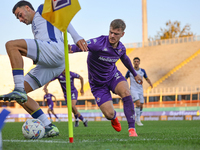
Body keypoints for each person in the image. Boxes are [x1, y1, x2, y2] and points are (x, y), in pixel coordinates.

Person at [0, 1, 87, 138]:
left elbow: (64, 18)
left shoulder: (41, 9)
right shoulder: (36, 24)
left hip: (53, 50)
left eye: (20, 15)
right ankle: (48, 126)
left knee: (11, 46)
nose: (21, 20)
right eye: (18, 18)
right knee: (21, 96)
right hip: (56, 63)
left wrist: (76, 37)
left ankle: (19, 89)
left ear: (27, 8)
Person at [70, 19, 143, 137]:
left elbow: (125, 59)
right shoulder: (98, 43)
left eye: (116, 34)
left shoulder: (121, 48)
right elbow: (79, 46)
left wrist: (134, 74)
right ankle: (114, 118)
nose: (112, 36)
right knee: (109, 114)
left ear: (122, 34)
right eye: (111, 32)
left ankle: (132, 129)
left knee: (125, 91)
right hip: (97, 84)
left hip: (113, 76)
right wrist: (68, 49)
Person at [125, 57, 153, 126]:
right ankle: (138, 120)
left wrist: (150, 83)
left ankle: (137, 118)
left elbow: (146, 78)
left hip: (140, 90)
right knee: (138, 103)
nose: (136, 63)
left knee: (141, 105)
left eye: (137, 61)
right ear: (133, 63)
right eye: (135, 61)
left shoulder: (142, 71)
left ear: (139, 62)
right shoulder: (129, 71)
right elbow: (125, 79)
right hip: (133, 89)